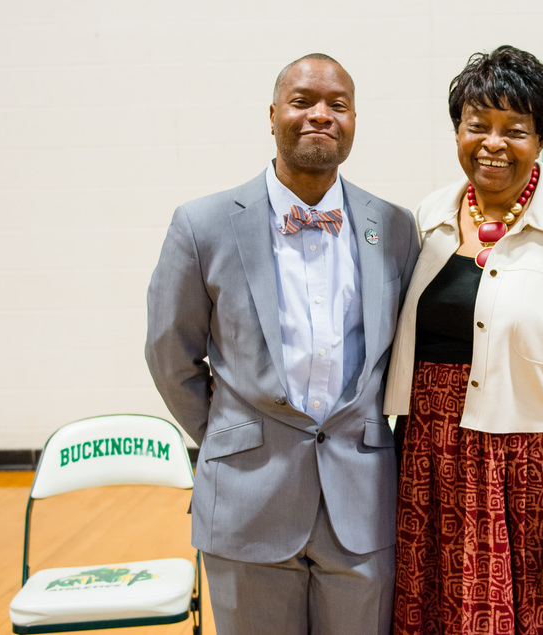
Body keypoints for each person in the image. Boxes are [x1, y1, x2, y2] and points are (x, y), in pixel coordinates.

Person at [145, 53, 419, 635]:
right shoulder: (203, 225)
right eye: (303, 102)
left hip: (362, 504)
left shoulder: (394, 226)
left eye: (337, 105)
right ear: (272, 115)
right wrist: (232, 436)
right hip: (248, 497)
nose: (321, 115)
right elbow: (171, 357)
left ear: (353, 122)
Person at [383, 46, 543, 635]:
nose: (493, 142)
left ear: (541, 138)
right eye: (478, 126)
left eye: (514, 130)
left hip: (532, 478)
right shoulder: (429, 217)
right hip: (431, 467)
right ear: (457, 132)